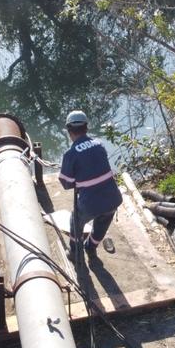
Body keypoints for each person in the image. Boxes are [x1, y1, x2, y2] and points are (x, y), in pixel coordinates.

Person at [58, 110, 122, 258]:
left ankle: (75, 251)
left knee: (75, 221)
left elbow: (66, 183)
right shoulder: (99, 144)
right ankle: (91, 247)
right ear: (86, 128)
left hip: (90, 204)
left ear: (69, 131)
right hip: (113, 199)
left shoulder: (70, 154)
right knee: (102, 224)